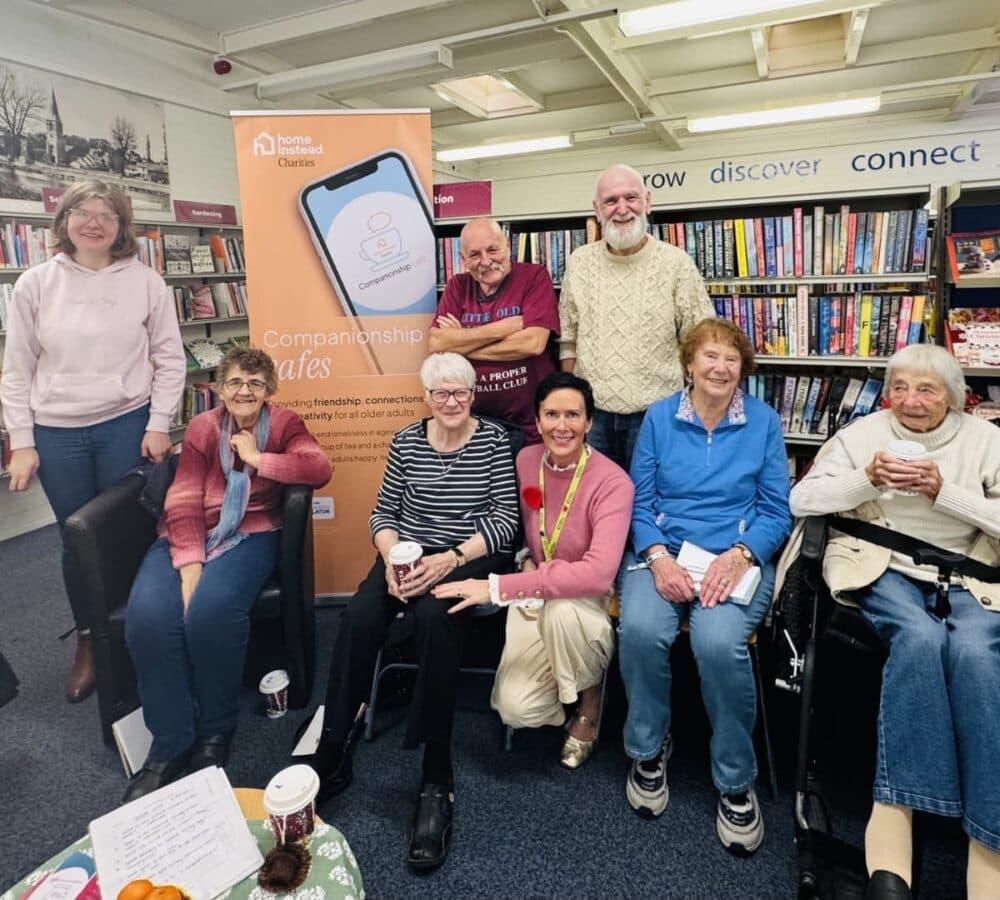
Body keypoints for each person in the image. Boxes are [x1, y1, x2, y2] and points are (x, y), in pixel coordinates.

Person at [788, 343, 1000, 900]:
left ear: (955, 397)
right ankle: (897, 826)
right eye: (899, 388)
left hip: (969, 574)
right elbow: (802, 498)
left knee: (978, 658)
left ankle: (988, 845)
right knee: (920, 640)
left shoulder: (986, 440)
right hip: (882, 566)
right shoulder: (862, 434)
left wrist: (944, 493)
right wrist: (866, 480)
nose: (910, 400)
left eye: (927, 389)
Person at [309, 352, 519, 872]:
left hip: (467, 554)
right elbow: (383, 512)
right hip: (406, 554)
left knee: (434, 619)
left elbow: (506, 520)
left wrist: (451, 559)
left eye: (461, 392)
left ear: (473, 395)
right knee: (359, 617)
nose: (451, 401)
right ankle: (333, 746)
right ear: (426, 397)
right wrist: (388, 559)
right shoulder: (405, 440)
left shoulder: (494, 441)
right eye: (441, 392)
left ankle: (436, 772)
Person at [0, 179, 185, 703]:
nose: (94, 222)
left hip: (124, 424)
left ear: (122, 226)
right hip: (56, 434)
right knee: (75, 538)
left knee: (130, 530)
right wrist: (22, 441)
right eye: (83, 211)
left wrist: (158, 423)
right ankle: (91, 637)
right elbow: (17, 369)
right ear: (64, 221)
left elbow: (171, 359)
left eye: (107, 214)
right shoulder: (36, 283)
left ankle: (137, 630)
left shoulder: (146, 282)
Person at [122, 346, 332, 803]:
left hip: (252, 532)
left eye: (255, 383)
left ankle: (215, 732)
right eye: (235, 382)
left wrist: (259, 458)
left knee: (212, 612)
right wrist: (190, 564)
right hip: (190, 531)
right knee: (148, 616)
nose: (244, 391)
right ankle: (169, 743)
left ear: (269, 390)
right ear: (220, 388)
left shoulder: (285, 423)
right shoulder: (202, 427)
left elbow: (318, 467)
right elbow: (183, 497)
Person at [618, 317, 791, 855]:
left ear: (743, 370)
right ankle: (649, 747)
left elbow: (776, 510)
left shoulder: (763, 422)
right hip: (665, 552)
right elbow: (639, 503)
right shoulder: (659, 417)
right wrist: (657, 557)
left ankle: (735, 777)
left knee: (717, 643)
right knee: (640, 628)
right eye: (709, 357)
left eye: (731, 360)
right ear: (689, 364)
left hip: (735, 558)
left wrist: (741, 554)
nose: (720, 368)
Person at [436, 372, 634, 769]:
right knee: (515, 709)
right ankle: (566, 679)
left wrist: (499, 587)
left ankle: (591, 701)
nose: (562, 426)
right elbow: (524, 520)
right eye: (551, 414)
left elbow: (597, 574)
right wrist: (526, 553)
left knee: (561, 613)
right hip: (533, 589)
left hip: (583, 597)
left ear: (589, 423)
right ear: (538, 420)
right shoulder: (525, 461)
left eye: (573, 415)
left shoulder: (614, 483)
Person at [558, 164, 714, 470]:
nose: (622, 209)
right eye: (610, 201)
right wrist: (575, 401)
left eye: (631, 198)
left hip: (658, 414)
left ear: (647, 202)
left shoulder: (676, 264)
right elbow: (568, 339)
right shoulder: (579, 263)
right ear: (597, 210)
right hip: (594, 416)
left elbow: (701, 341)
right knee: (599, 495)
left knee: (652, 494)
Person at [429, 217, 560, 443]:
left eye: (492, 250)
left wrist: (462, 346)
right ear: (463, 259)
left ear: (507, 245)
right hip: (474, 426)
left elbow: (533, 343)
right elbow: (437, 344)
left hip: (532, 426)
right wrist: (504, 327)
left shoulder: (534, 276)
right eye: (474, 255)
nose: (485, 261)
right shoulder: (457, 286)